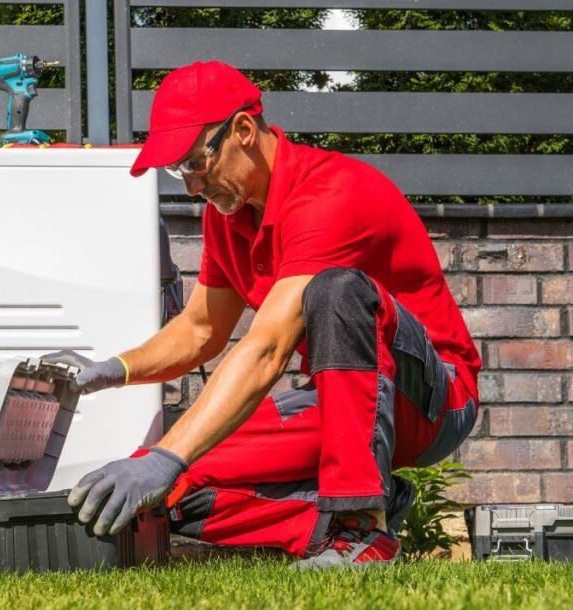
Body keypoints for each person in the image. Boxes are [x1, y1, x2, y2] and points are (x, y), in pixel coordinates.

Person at [44, 61, 480, 569]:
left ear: (244, 131)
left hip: (433, 400)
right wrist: (111, 371)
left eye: (194, 164)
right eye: (177, 171)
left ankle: (361, 526)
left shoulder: (331, 194)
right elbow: (199, 330)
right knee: (168, 490)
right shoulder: (227, 216)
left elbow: (268, 347)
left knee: (336, 290)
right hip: (343, 405)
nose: (189, 186)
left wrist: (169, 453)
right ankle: (349, 516)